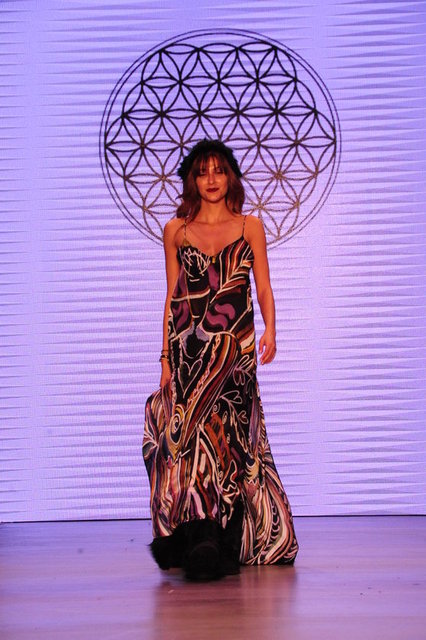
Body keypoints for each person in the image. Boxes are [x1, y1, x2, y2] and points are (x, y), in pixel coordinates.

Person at [143, 139, 299, 581]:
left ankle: (232, 538)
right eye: (202, 172)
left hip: (236, 352)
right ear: (192, 180)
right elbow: (172, 297)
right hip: (189, 355)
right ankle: (200, 539)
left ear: (231, 176)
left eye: (218, 170)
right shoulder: (176, 230)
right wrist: (165, 358)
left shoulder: (251, 227)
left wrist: (271, 329)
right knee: (192, 444)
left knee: (233, 443)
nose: (211, 179)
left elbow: (262, 286)